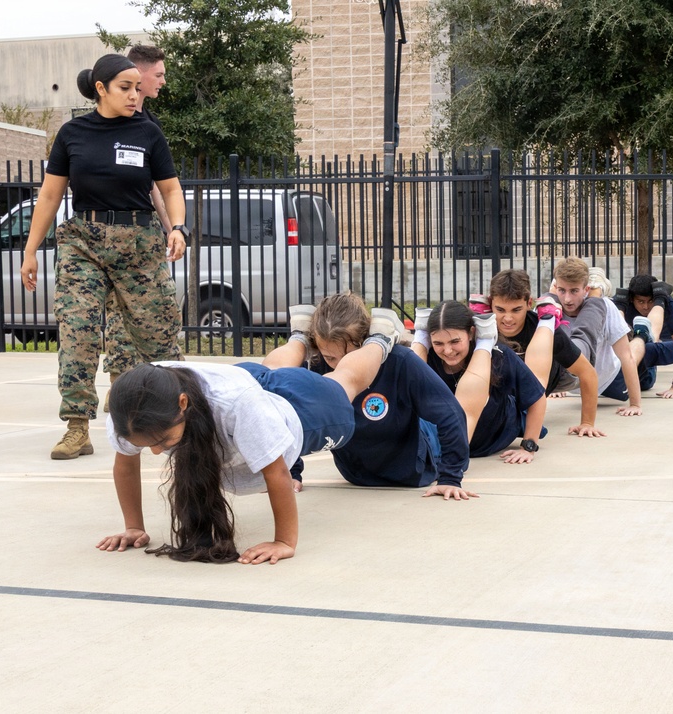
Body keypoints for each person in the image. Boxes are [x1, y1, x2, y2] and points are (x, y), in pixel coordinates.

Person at [97, 310, 402, 565]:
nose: (154, 452)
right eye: (146, 444)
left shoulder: (237, 407)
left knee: (343, 383)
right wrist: (134, 527)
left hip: (293, 414)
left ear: (182, 403)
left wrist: (283, 541)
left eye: (162, 441)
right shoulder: (132, 407)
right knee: (270, 369)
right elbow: (125, 464)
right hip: (244, 380)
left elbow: (277, 471)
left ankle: (380, 338)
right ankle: (299, 336)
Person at [20, 54, 188, 460]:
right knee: (77, 330)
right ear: (101, 89)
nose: (134, 95)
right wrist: (30, 250)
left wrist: (178, 228)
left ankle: (185, 419)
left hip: (138, 244)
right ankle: (77, 427)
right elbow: (49, 194)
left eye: (136, 87)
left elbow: (169, 189)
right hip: (83, 242)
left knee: (158, 339)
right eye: (125, 88)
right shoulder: (72, 133)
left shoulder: (147, 133)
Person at [264, 294, 475, 499]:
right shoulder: (317, 364)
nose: (341, 366)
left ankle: (414, 337)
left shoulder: (400, 361)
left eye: (349, 356)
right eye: (330, 357)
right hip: (355, 472)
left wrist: (450, 477)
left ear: (365, 342)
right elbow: (287, 416)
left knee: (439, 421)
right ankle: (298, 337)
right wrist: (291, 472)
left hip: (416, 464)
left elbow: (451, 414)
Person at [103, 44, 174, 407]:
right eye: (158, 75)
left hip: (144, 235)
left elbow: (159, 187)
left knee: (155, 311)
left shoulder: (149, 125)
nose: (162, 81)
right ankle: (119, 385)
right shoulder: (109, 121)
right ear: (138, 74)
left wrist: (171, 228)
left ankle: (149, 382)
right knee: (120, 313)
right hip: (110, 236)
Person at [411, 300, 549, 463]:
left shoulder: (499, 355)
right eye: (438, 343)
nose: (448, 351)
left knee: (523, 417)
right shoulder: (427, 356)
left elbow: (537, 399)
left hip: (496, 428)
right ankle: (420, 333)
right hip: (447, 437)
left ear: (471, 333)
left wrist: (528, 447)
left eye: (455, 341)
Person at [486, 269, 605, 437]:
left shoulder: (543, 330)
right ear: (490, 303)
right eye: (500, 309)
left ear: (529, 304)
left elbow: (588, 373)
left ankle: (593, 294)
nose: (507, 319)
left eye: (516, 310)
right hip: (513, 384)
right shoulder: (482, 327)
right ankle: (552, 298)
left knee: (583, 338)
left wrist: (587, 423)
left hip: (563, 377)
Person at [551, 257, 643, 416]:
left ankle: (643, 335)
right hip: (576, 383)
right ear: (555, 288)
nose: (567, 299)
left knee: (640, 355)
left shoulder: (605, 306)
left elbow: (626, 356)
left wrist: (635, 404)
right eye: (562, 290)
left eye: (574, 291)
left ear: (586, 289)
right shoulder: (549, 308)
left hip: (612, 380)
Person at [612, 275, 673, 398]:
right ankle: (657, 303)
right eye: (641, 302)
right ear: (631, 299)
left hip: (659, 335)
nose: (646, 307)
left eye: (650, 301)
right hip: (631, 338)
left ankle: (659, 301)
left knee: (652, 342)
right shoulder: (623, 300)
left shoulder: (671, 306)